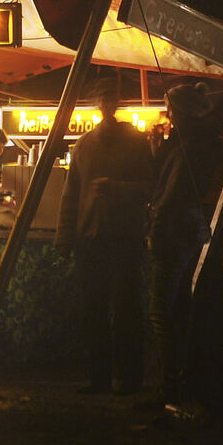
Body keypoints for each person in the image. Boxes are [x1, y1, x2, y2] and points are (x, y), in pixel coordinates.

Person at [65, 93, 157, 395]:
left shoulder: (135, 142)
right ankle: (100, 378)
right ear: (98, 105)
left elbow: (151, 187)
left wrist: (116, 189)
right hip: (91, 238)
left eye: (109, 99)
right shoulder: (84, 144)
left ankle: (128, 379)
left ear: (114, 104)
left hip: (122, 237)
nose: (106, 105)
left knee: (125, 308)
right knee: (94, 310)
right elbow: (70, 194)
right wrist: (64, 237)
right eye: (102, 100)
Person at [141, 83, 223, 411]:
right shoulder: (198, 142)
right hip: (190, 230)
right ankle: (182, 380)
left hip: (174, 230)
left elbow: (172, 193)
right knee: (178, 309)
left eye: (171, 109)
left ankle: (170, 386)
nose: (168, 114)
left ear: (182, 111)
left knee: (161, 310)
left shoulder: (189, 145)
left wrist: (155, 227)